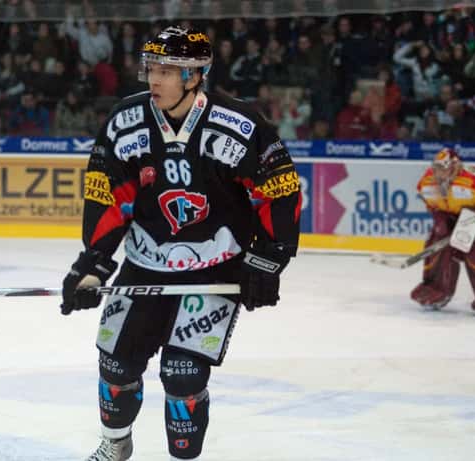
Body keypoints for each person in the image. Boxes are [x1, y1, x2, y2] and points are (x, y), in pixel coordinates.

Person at [60, 26, 301, 461]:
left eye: (167, 70)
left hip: (214, 269)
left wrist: (268, 259)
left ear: (194, 76)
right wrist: (94, 262)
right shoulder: (126, 121)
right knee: (116, 363)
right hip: (144, 262)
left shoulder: (240, 124)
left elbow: (278, 190)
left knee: (183, 373)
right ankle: (115, 444)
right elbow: (107, 193)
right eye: (151, 67)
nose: (154, 79)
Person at [411, 148, 475, 313]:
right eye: (437, 168)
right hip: (462, 214)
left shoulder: (474, 181)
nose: (439, 173)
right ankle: (437, 290)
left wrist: (474, 222)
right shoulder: (427, 183)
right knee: (438, 240)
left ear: (455, 166)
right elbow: (433, 206)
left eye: (443, 168)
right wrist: (442, 221)